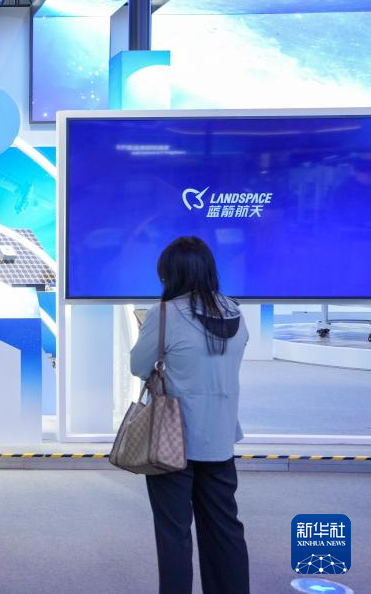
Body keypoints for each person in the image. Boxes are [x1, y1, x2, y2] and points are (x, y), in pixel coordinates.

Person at [130, 236, 250, 594]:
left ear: (172, 274)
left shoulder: (164, 314)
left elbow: (139, 366)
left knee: (174, 534)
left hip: (171, 438)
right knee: (225, 530)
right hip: (220, 437)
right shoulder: (235, 311)